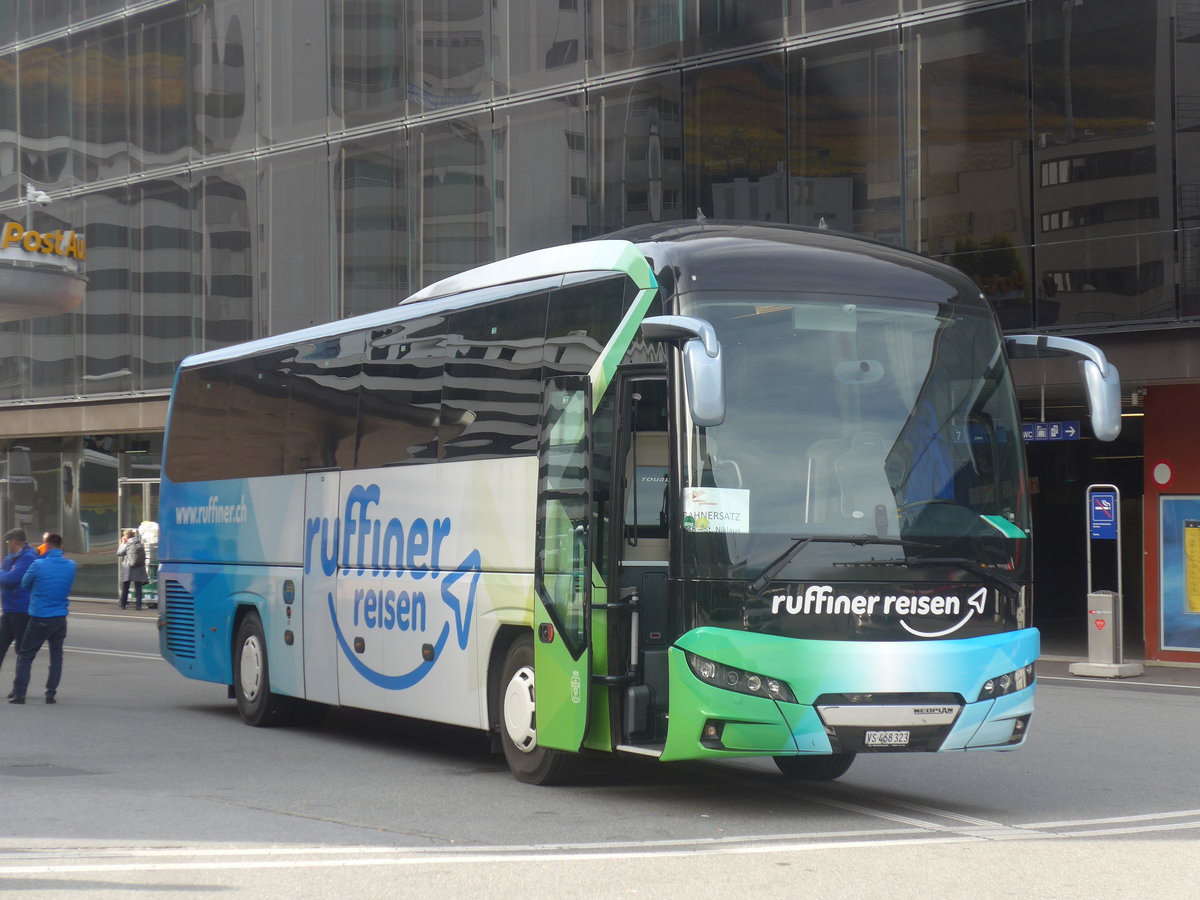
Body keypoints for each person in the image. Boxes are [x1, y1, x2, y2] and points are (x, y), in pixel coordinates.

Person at [9, 533, 76, 705]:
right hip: (60, 616)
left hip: (40, 615)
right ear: (61, 546)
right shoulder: (71, 565)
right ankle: (50, 694)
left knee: (25, 655)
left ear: (46, 545)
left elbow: (25, 583)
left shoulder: (38, 565)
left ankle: (20, 693)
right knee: (56, 657)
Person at [0, 528, 37, 674]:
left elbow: (12, 578)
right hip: (9, 609)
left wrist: (4, 574)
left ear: (14, 541)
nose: (7, 544)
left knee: (22, 651)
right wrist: (5, 575)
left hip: (21, 610)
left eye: (8, 542)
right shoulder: (10, 557)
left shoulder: (28, 557)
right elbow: (6, 576)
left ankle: (20, 685)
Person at [117, 528, 149, 610]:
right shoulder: (139, 544)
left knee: (126, 586)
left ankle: (123, 604)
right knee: (138, 587)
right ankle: (138, 606)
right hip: (139, 567)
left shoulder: (127, 544)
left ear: (126, 536)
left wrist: (122, 543)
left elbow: (119, 553)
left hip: (128, 567)